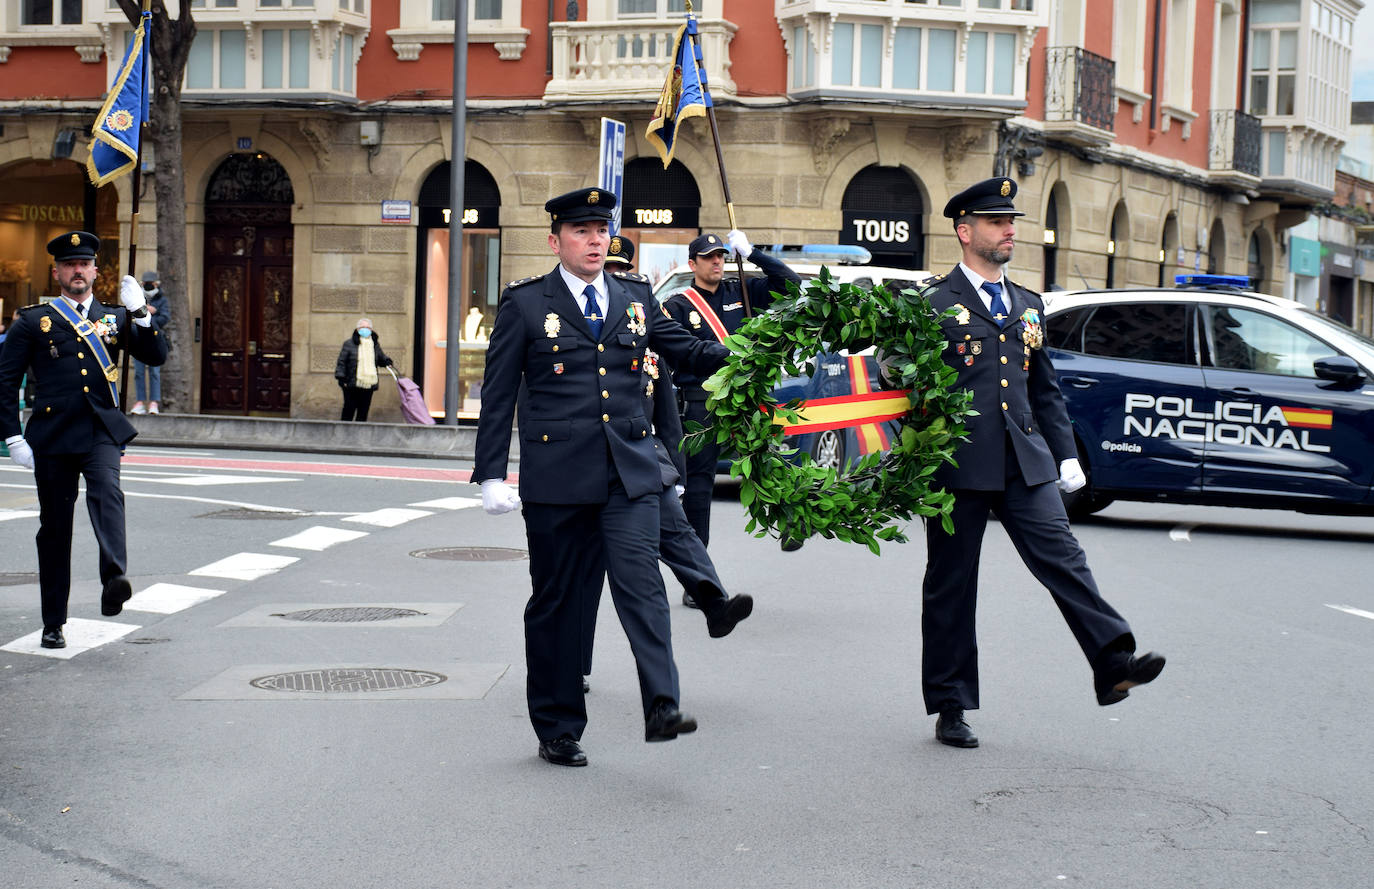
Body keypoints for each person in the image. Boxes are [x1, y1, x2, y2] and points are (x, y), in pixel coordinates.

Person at [473, 186, 732, 767]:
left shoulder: (634, 295)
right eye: (581, 231)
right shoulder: (525, 304)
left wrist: (751, 352)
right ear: (555, 241)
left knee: (643, 587)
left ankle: (662, 704)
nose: (595, 241)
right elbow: (498, 395)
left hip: (628, 473)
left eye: (601, 231)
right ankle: (558, 727)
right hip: (558, 479)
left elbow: (686, 351)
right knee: (559, 604)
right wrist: (491, 473)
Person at [918, 179, 1165, 748]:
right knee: (952, 586)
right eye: (996, 222)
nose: (1010, 230)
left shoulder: (1029, 304)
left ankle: (1112, 661)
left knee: (1064, 557)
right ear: (965, 231)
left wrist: (1067, 455)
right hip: (957, 465)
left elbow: (1043, 388)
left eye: (1011, 222)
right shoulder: (932, 304)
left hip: (1024, 462)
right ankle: (951, 705)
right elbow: (902, 378)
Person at [580, 239, 753, 690]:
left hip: (642, 458)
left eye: (623, 271)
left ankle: (713, 601)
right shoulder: (573, 327)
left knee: (678, 530)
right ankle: (573, 666)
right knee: (582, 573)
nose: (617, 278)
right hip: (585, 464)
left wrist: (675, 470)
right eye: (610, 271)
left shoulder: (647, 337)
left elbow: (668, 409)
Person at [0, 231, 168, 649]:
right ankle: (53, 621)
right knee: (55, 530)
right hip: (52, 436)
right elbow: (4, 381)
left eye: (84, 264)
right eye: (69, 265)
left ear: (96, 271)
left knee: (108, 492)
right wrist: (12, 437)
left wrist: (141, 314)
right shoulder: (33, 321)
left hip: (100, 430)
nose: (77, 270)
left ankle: (114, 579)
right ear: (56, 272)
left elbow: (156, 356)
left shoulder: (114, 316)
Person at [661, 229, 803, 601]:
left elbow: (792, 286)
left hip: (746, 397)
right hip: (702, 402)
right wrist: (736, 354)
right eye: (708, 257)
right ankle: (698, 581)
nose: (717, 262)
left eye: (721, 256)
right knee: (698, 491)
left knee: (767, 461)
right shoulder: (678, 305)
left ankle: (791, 522)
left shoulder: (742, 289)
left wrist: (754, 254)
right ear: (692, 264)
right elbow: (683, 352)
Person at [334, 317, 394, 421]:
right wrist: (341, 377)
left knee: (363, 410)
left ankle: (360, 431)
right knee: (349, 409)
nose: (365, 329)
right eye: (362, 327)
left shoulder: (374, 344)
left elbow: (380, 357)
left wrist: (387, 362)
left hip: (368, 383)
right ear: (357, 329)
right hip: (351, 383)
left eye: (368, 327)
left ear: (371, 330)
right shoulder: (349, 344)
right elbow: (342, 361)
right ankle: (345, 430)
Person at [129, 269, 170, 415]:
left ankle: (154, 403)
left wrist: (152, 314)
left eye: (150, 283)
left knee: (154, 372)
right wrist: (143, 314)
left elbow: (165, 318)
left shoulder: (162, 299)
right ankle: (140, 402)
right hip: (138, 340)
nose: (147, 285)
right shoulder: (136, 298)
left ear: (156, 284)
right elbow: (130, 316)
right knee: (138, 372)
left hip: (155, 340)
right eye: (145, 283)